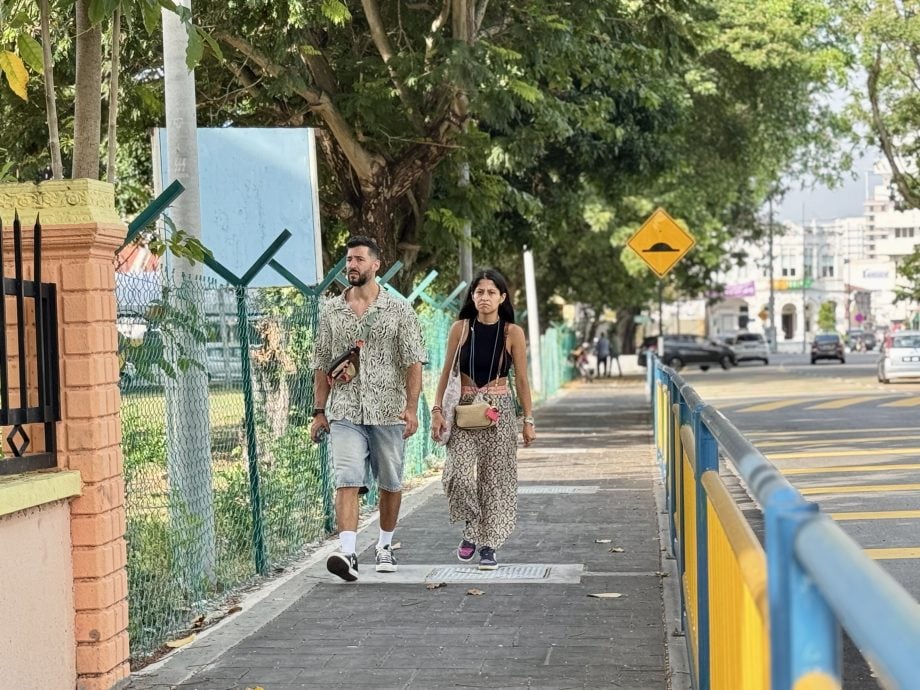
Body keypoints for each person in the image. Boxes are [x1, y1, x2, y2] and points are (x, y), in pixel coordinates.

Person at [310, 236, 427, 582]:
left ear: (376, 265)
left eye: (359, 260)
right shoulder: (331, 310)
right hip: (344, 409)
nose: (352, 266)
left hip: (388, 409)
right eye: (348, 260)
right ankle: (347, 553)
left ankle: (385, 545)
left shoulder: (399, 310)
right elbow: (320, 362)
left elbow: (413, 361)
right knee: (347, 477)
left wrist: (411, 408)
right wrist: (319, 411)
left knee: (390, 482)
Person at [430, 269, 535, 570]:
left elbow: (522, 380)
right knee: (457, 474)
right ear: (472, 296)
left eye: (491, 292)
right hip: (463, 407)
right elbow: (445, 373)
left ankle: (487, 544)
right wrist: (437, 410)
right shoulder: (461, 329)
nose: (484, 297)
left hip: (498, 408)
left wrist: (528, 419)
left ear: (502, 297)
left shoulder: (512, 332)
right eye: (479, 292)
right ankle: (473, 526)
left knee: (495, 480)